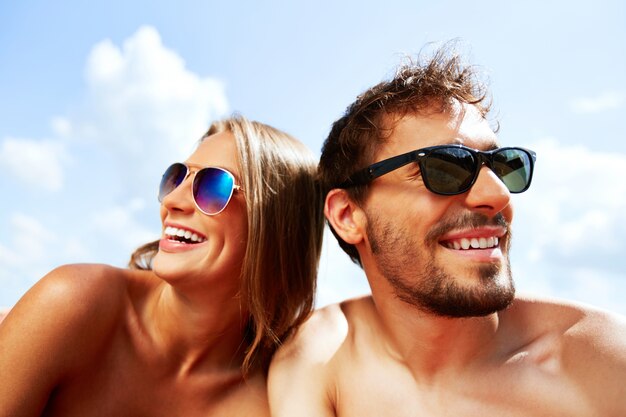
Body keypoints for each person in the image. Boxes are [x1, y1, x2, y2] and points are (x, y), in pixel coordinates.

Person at [268, 46, 626, 416]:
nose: (498, 194)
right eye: (445, 167)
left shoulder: (603, 364)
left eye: (503, 166)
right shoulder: (320, 359)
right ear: (347, 214)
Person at [0, 116, 324, 416]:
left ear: (279, 229)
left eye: (213, 186)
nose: (172, 201)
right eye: (176, 177)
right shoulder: (73, 302)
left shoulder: (268, 401)